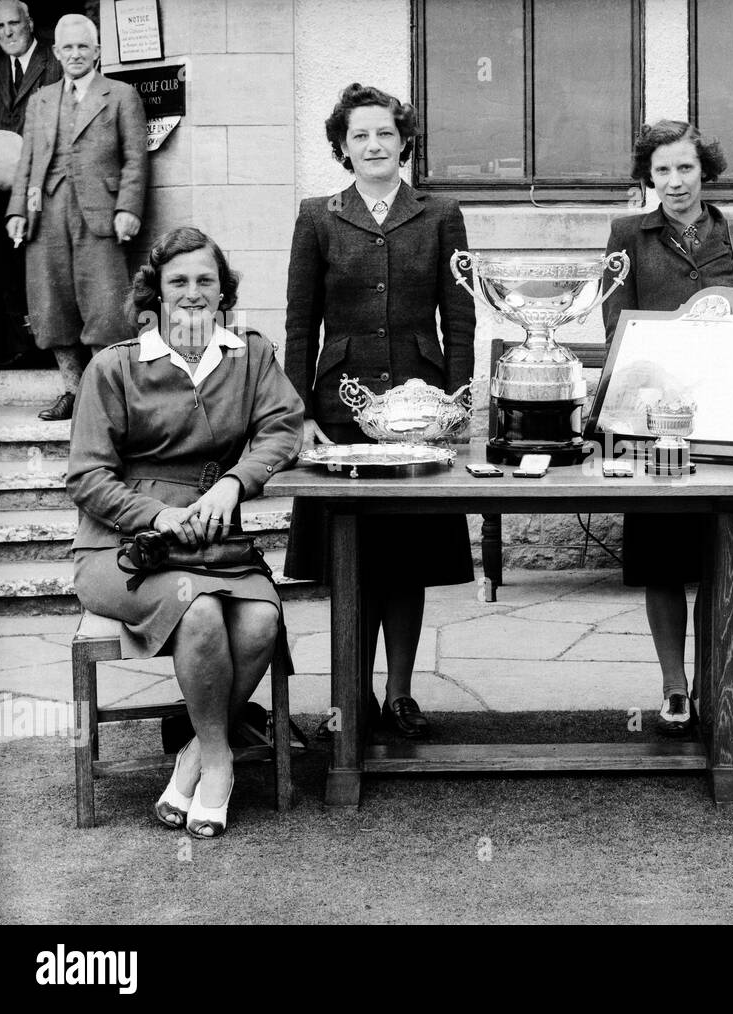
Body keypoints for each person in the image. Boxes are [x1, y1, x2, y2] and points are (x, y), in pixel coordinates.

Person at [67, 226, 304, 838]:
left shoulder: (251, 355)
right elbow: (87, 475)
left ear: (223, 290)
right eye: (179, 282)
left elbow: (282, 430)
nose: (193, 294)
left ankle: (194, 754)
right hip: (122, 549)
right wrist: (157, 516)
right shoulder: (114, 367)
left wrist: (236, 482)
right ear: (157, 292)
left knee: (261, 620)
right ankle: (221, 762)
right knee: (197, 612)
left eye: (206, 281)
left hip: (216, 542)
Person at [284, 83, 475, 739]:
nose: (374, 144)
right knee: (352, 556)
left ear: (404, 142)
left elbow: (460, 315)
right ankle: (350, 697)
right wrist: (298, 408)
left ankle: (399, 695)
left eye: (385, 134)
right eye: (360, 135)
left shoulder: (441, 213)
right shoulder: (317, 217)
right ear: (343, 146)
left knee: (408, 557)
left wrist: (457, 399)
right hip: (341, 411)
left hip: (420, 409)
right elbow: (300, 321)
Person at [602, 120, 733, 736]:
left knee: (718, 554)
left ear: (706, 171)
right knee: (662, 561)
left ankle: (714, 682)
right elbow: (616, 331)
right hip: (656, 428)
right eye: (662, 171)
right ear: (648, 178)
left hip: (729, 423)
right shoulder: (627, 235)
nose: (675, 182)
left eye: (686, 168)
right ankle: (675, 687)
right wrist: (655, 384)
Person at [4, 13, 146, 421]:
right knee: (51, 305)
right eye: (67, 47)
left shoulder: (120, 95)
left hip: (99, 213)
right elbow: (27, 160)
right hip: (45, 212)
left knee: (104, 305)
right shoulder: (42, 98)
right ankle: (70, 389)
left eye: (83, 46)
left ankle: (103, 397)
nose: (75, 54)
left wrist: (128, 209)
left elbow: (135, 160)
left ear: (98, 52)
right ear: (56, 53)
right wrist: (16, 211)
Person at [0, 0, 60, 368]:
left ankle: (51, 347)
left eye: (13, 24)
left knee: (44, 266)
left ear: (29, 22)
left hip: (44, 185)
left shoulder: (56, 61)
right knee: (7, 268)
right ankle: (21, 347)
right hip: (0, 191)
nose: (7, 33)